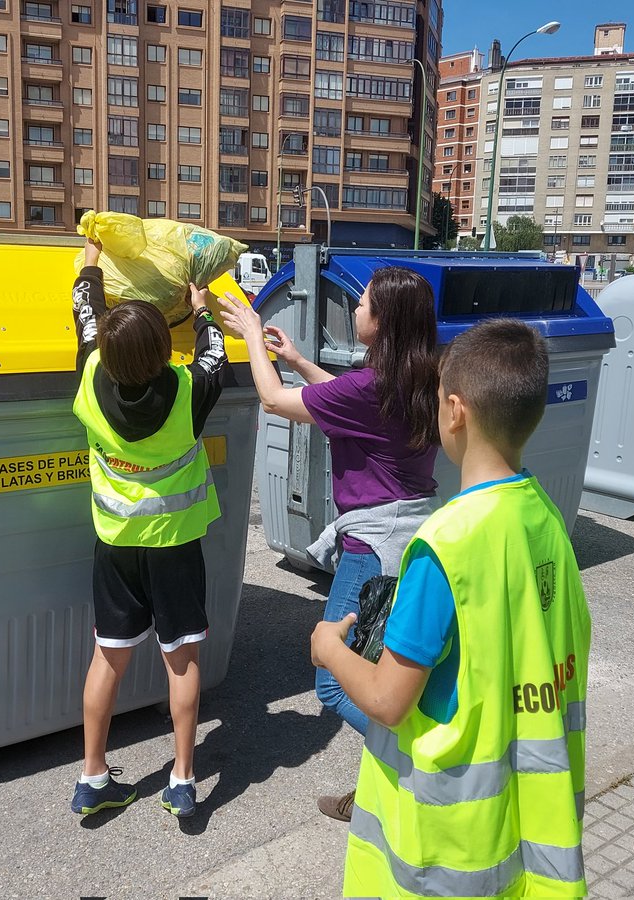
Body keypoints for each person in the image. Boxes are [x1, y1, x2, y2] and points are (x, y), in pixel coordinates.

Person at [311, 319, 592, 897]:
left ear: (455, 411)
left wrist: (329, 652)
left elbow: (389, 701)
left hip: (443, 846)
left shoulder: (443, 546)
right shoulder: (542, 515)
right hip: (521, 827)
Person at [216, 266, 441, 822]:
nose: (356, 310)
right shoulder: (418, 376)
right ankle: (382, 788)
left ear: (383, 321)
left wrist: (249, 331)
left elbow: (271, 401)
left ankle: (428, 769)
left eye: (362, 302)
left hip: (373, 547)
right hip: (410, 530)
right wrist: (295, 360)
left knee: (337, 681)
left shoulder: (375, 386)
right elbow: (339, 399)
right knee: (379, 671)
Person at [69, 237, 228, 819]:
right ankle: (183, 780)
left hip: (115, 547)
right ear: (166, 351)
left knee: (107, 658)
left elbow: (84, 312)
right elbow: (215, 354)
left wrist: (91, 258)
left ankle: (92, 777)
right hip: (175, 548)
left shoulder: (89, 376)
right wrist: (202, 305)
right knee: (181, 661)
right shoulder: (188, 393)